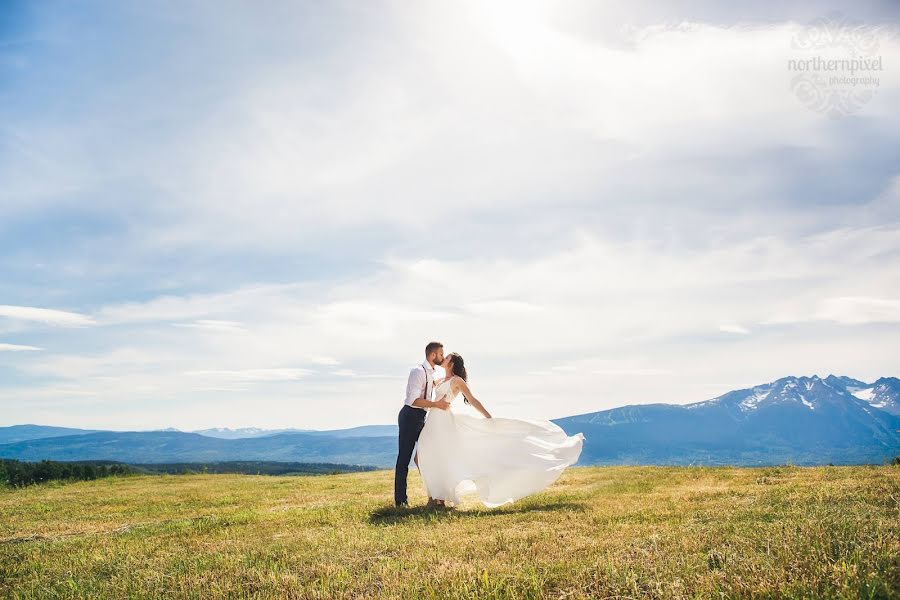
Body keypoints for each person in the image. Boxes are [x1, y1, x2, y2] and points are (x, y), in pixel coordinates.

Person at [416, 352, 584, 508]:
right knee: (424, 456)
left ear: (451, 363)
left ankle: (439, 499)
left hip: (444, 422)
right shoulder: (439, 380)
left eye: (446, 357)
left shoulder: (456, 381)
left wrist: (488, 417)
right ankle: (435, 496)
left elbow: (472, 399)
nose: (443, 358)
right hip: (432, 421)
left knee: (441, 458)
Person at [394, 341, 451, 507]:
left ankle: (436, 496)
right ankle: (401, 501)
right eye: (441, 354)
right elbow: (413, 400)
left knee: (429, 453)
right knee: (404, 459)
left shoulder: (431, 374)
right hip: (410, 416)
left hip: (421, 417)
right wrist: (436, 405)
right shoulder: (418, 372)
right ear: (433, 355)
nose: (442, 356)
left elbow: (442, 382)